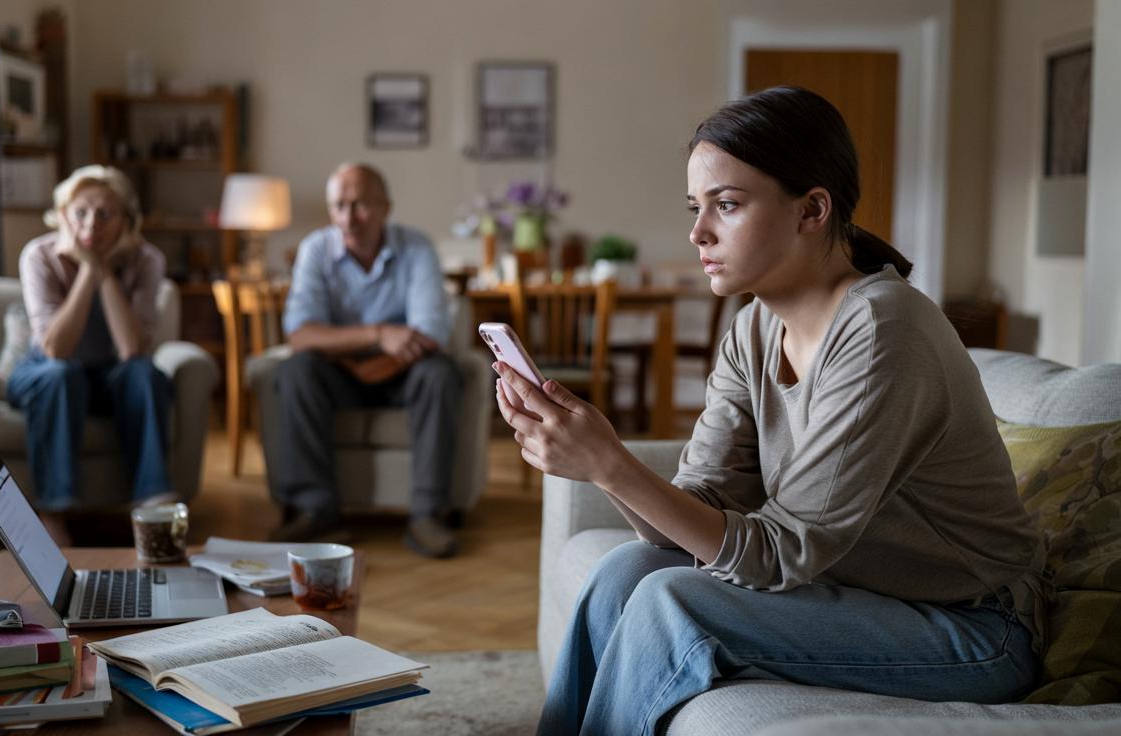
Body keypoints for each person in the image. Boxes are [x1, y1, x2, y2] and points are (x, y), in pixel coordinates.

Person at [494, 87, 1047, 734]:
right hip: (860, 593)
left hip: (975, 629)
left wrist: (612, 465)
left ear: (812, 209)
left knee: (674, 601)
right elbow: (691, 515)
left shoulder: (882, 332)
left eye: (726, 205)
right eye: (696, 207)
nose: (698, 232)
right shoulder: (754, 328)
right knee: (625, 571)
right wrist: (597, 463)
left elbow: (783, 553)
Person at [270, 162, 461, 558]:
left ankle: (427, 515)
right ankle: (316, 511)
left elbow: (430, 333)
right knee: (294, 371)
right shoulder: (315, 249)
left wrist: (366, 359)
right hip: (339, 375)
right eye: (338, 206)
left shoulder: (417, 247)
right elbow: (301, 334)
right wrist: (378, 335)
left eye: (359, 205)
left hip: (403, 372)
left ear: (385, 207)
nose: (348, 218)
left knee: (440, 373)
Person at [9, 165, 174, 543]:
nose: (91, 224)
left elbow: (131, 348)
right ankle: (53, 510)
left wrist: (104, 271)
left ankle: (153, 505)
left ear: (126, 221)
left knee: (146, 374)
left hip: (111, 374)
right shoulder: (39, 255)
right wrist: (87, 270)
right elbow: (56, 350)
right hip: (46, 372)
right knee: (61, 375)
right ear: (62, 215)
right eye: (80, 212)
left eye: (105, 214)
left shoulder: (147, 260)